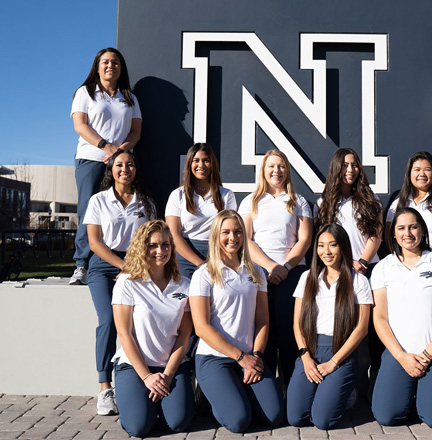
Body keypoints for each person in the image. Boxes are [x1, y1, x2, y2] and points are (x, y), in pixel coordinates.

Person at [190, 210, 284, 433]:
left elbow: (262, 320)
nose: (232, 238)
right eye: (226, 232)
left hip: (249, 357)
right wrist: (240, 357)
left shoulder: (257, 272)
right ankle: (212, 395)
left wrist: (257, 356)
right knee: (239, 421)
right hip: (214, 359)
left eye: (238, 232)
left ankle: (232, 394)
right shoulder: (204, 274)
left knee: (274, 416)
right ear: (216, 236)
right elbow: (202, 327)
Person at [371, 207, 432, 430]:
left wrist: (427, 354)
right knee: (386, 415)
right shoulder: (383, 268)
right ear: (393, 234)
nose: (408, 233)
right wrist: (401, 356)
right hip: (400, 354)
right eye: (401, 228)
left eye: (413, 226)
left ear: (422, 230)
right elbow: (380, 318)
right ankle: (417, 392)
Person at [84, 150, 156, 415]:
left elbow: (150, 240)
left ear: (136, 169)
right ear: (111, 170)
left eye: (130, 164)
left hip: (137, 267)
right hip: (104, 267)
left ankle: (139, 381)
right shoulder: (98, 200)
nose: (125, 169)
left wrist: (135, 267)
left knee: (140, 324)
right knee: (108, 321)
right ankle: (105, 387)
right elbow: (94, 241)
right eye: (119, 165)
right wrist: (121, 265)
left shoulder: (146, 203)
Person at [112, 220, 194, 437]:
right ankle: (140, 402)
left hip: (171, 367)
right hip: (135, 367)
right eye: (153, 246)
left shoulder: (184, 284)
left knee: (179, 422)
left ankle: (161, 403)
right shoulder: (127, 282)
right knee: (138, 428)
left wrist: (167, 375)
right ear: (142, 248)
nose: (160, 251)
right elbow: (124, 334)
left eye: (166, 245)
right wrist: (147, 377)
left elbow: (185, 334)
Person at [287, 224, 372, 430]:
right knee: (296, 418)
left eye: (333, 245)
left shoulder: (358, 280)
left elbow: (361, 328)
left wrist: (334, 362)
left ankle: (345, 393)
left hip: (340, 355)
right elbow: (298, 323)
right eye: (321, 246)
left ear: (343, 247)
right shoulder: (307, 277)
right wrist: (306, 358)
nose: (326, 251)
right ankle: (327, 392)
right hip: (311, 352)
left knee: (322, 421)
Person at [238, 150, 313, 384]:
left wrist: (286, 267)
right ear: (263, 170)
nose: (276, 171)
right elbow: (245, 239)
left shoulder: (298, 201)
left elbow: (305, 240)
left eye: (281, 166)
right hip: (259, 273)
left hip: (292, 274)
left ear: (287, 170)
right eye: (271, 166)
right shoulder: (250, 201)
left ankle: (292, 387)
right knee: (263, 332)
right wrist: (271, 266)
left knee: (290, 332)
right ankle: (266, 384)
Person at [70, 48, 142, 285]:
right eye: (106, 62)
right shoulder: (86, 92)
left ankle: (115, 263)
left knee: (120, 210)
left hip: (119, 164)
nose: (111, 66)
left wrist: (119, 152)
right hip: (91, 159)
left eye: (116, 62)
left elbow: (136, 131)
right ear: (97, 66)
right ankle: (82, 265)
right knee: (88, 211)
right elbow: (80, 126)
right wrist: (105, 146)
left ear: (121, 68)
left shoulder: (129, 97)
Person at [314, 148, 382, 395]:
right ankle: (345, 384)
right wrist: (347, 263)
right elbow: (323, 241)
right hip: (338, 269)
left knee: (372, 328)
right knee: (342, 325)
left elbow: (376, 235)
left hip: (368, 269)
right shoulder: (324, 203)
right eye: (344, 165)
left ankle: (376, 379)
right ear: (336, 169)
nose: (350, 170)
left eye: (354, 165)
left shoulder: (371, 201)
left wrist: (361, 262)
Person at [165, 143, 237, 279]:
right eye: (196, 160)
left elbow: (229, 232)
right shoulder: (177, 195)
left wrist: (215, 261)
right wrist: (199, 263)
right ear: (189, 164)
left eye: (206, 160)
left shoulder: (226, 195)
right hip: (185, 257)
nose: (201, 165)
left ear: (213, 164)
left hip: (217, 255)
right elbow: (173, 234)